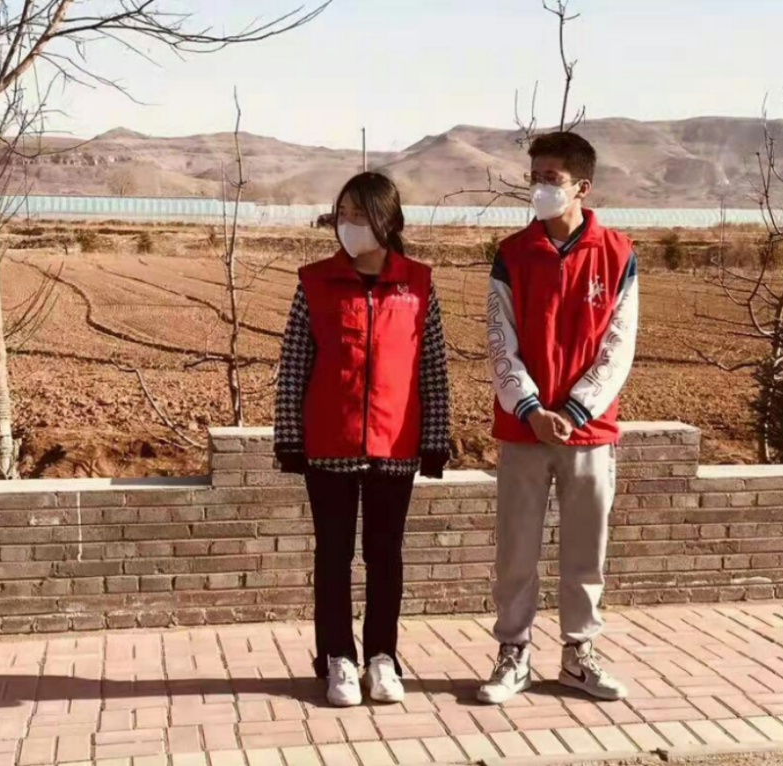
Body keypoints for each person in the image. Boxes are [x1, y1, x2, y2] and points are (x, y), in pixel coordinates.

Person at [274, 172, 451, 708]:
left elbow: (432, 368)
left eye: (359, 214)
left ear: (388, 221)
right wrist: (289, 438)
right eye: (343, 213)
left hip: (395, 446)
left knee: (385, 556)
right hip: (329, 444)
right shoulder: (314, 283)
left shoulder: (418, 285)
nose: (348, 224)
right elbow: (294, 366)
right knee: (333, 556)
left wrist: (435, 438)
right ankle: (337, 658)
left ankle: (382, 657)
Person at [478, 132, 639, 704]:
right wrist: (529, 407)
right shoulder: (512, 252)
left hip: (588, 431)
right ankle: (513, 652)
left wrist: (572, 410)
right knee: (516, 549)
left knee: (585, 551)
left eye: (551, 178)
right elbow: (499, 338)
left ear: (581, 187)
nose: (540, 187)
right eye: (535, 177)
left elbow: (619, 344)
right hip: (524, 429)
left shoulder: (617, 252)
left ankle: (579, 654)